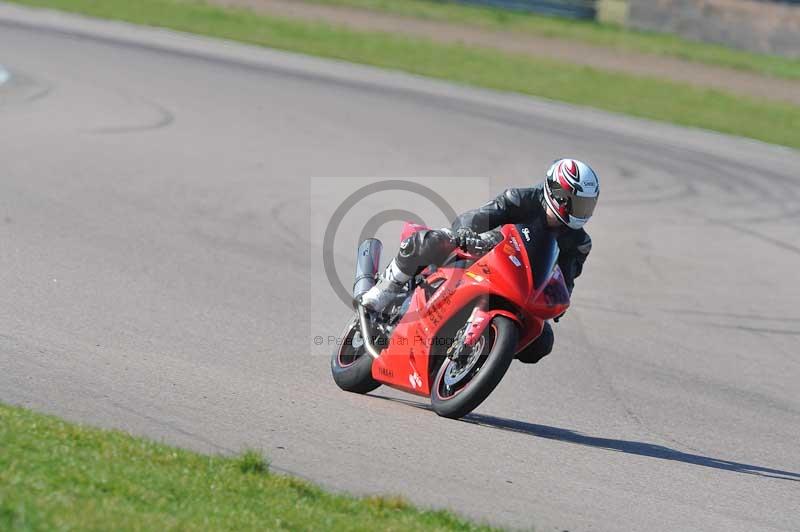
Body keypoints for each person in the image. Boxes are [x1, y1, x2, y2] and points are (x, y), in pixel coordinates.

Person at [360, 158, 599, 364]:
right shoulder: (521, 199)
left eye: (587, 205)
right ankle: (384, 292)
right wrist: (466, 232)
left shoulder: (579, 243)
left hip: (523, 286)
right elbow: (481, 215)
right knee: (429, 242)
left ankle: (487, 350)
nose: (581, 211)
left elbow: (567, 278)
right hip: (486, 251)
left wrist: (559, 300)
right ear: (558, 193)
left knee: (542, 341)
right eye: (577, 202)